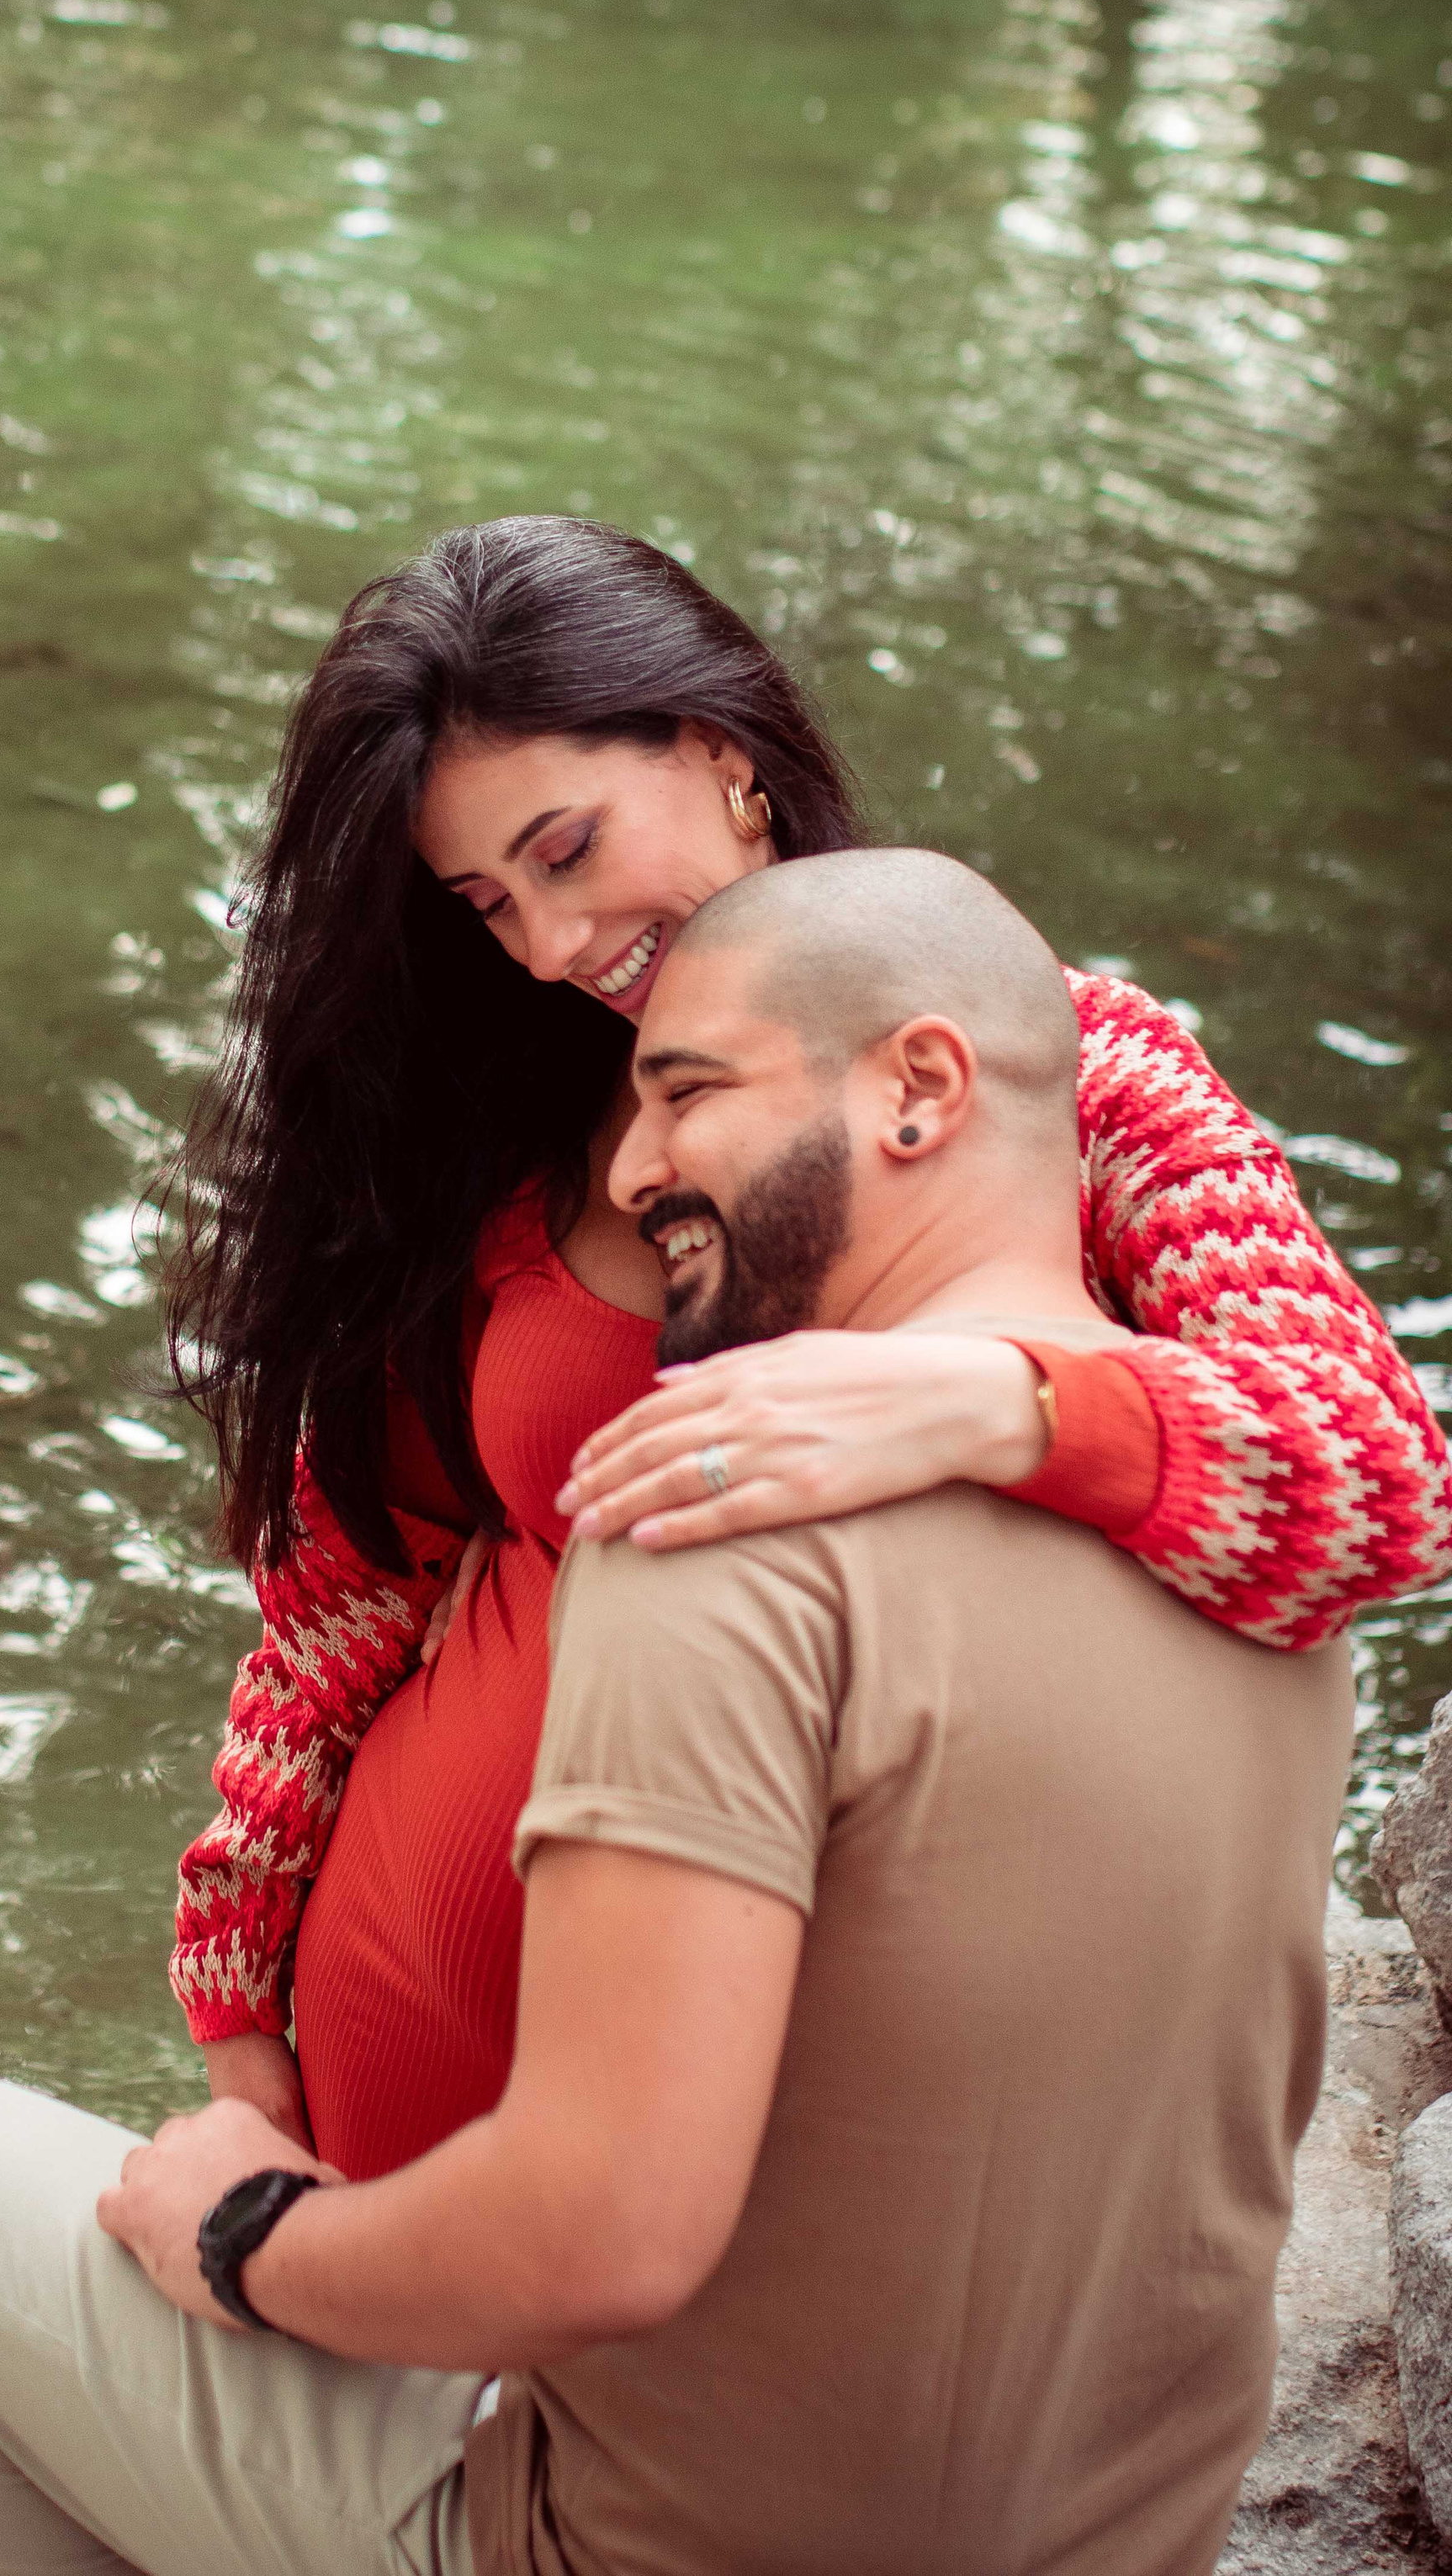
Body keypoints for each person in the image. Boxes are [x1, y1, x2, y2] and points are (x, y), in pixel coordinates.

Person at [0, 851, 1354, 2576]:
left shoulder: (714, 1516)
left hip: (619, 2545)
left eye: (685, 1090)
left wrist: (241, 2226)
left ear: (918, 1086)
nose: (628, 1163)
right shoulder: (1257, 1547)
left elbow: (604, 2229)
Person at [163, 515, 1446, 2174]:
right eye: (484, 901)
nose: (547, 945)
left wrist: (979, 1402)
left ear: (721, 755)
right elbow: (351, 1595)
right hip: (361, 2142)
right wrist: (235, 1980)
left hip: (713, 2196)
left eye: (563, 851)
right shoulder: (496, 1125)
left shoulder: (1041, 1062)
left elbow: (1373, 1479)